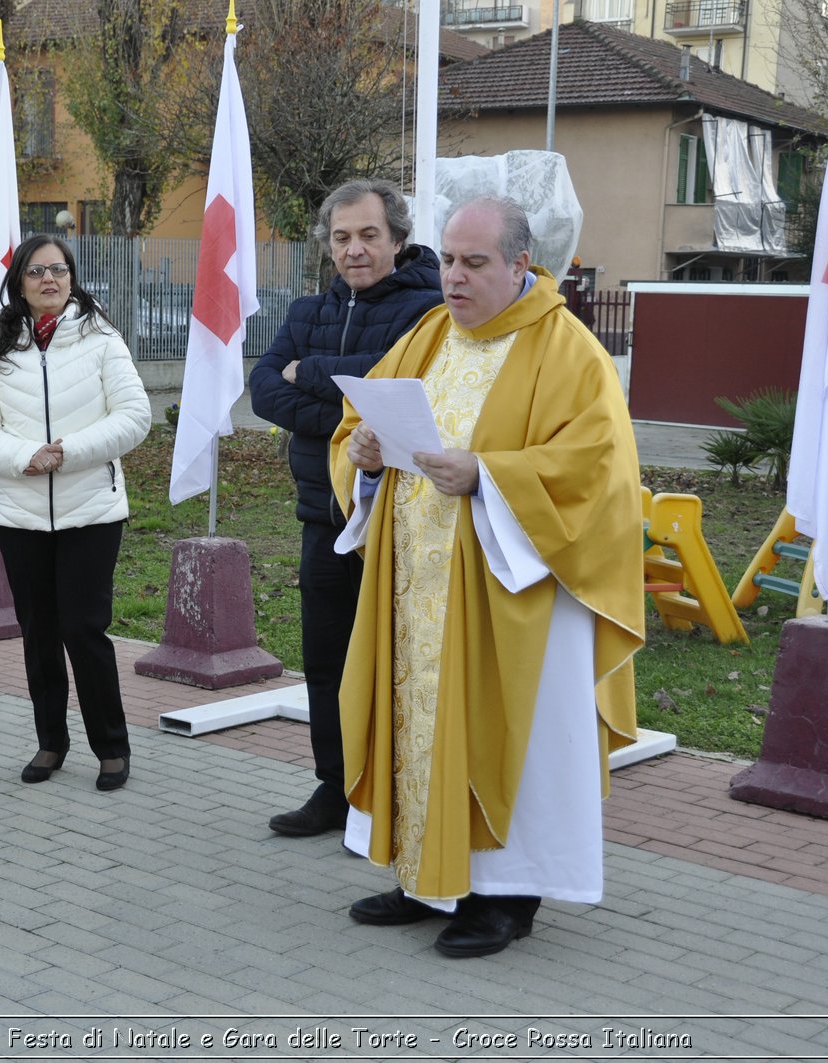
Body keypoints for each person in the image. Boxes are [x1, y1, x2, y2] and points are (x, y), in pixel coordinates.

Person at [329, 196, 643, 958]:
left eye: (474, 263)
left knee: (516, 739)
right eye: (446, 259)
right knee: (416, 722)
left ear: (519, 266)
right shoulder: (430, 334)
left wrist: (488, 476)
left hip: (513, 598)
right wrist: (365, 456)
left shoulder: (569, 352)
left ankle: (506, 895)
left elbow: (598, 473)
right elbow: (355, 425)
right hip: (416, 591)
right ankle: (423, 877)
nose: (454, 278)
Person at [249, 178, 443, 838]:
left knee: (395, 664)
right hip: (321, 515)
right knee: (326, 661)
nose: (355, 250)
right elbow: (263, 392)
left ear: (397, 238)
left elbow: (409, 387)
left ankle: (392, 794)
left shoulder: (432, 310)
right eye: (341, 237)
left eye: (368, 235)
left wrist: (314, 373)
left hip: (401, 521)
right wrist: (353, 397)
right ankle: (334, 788)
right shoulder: (306, 310)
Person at [0, 235, 151, 791]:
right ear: (19, 281)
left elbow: (134, 416)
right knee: (38, 630)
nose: (50, 279)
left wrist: (66, 452)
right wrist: (26, 457)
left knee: (83, 628)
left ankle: (111, 748)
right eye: (38, 271)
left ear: (72, 278)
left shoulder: (102, 340)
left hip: (91, 510)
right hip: (20, 514)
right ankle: (50, 742)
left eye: (59, 270)